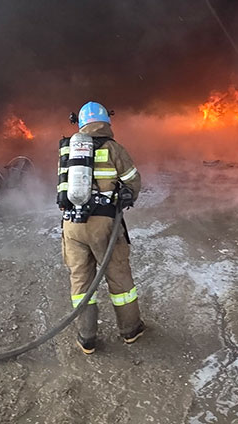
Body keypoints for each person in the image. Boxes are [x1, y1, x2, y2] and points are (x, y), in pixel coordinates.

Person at [56, 101, 145, 353]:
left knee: (80, 280)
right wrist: (126, 196)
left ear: (81, 123)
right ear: (107, 122)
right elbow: (133, 181)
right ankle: (130, 330)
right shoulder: (113, 147)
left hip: (71, 225)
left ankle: (86, 338)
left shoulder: (67, 150)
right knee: (118, 276)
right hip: (103, 225)